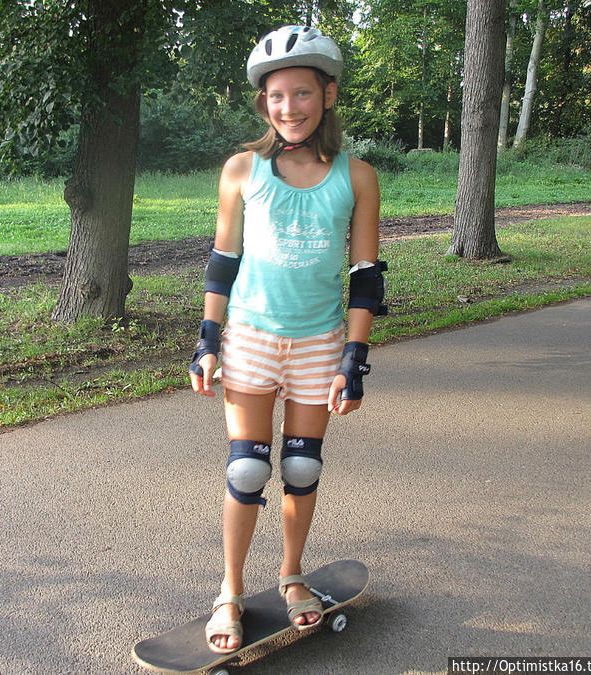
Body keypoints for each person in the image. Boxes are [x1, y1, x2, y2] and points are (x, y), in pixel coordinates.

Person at [188, 25, 387, 654]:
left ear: (327, 96)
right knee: (247, 468)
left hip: (320, 341)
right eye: (276, 96)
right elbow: (223, 260)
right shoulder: (243, 169)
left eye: (302, 93)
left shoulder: (357, 176)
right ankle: (230, 589)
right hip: (249, 336)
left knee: (302, 465)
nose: (289, 108)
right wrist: (207, 339)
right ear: (263, 102)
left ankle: (292, 574)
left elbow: (365, 279)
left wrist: (353, 358)